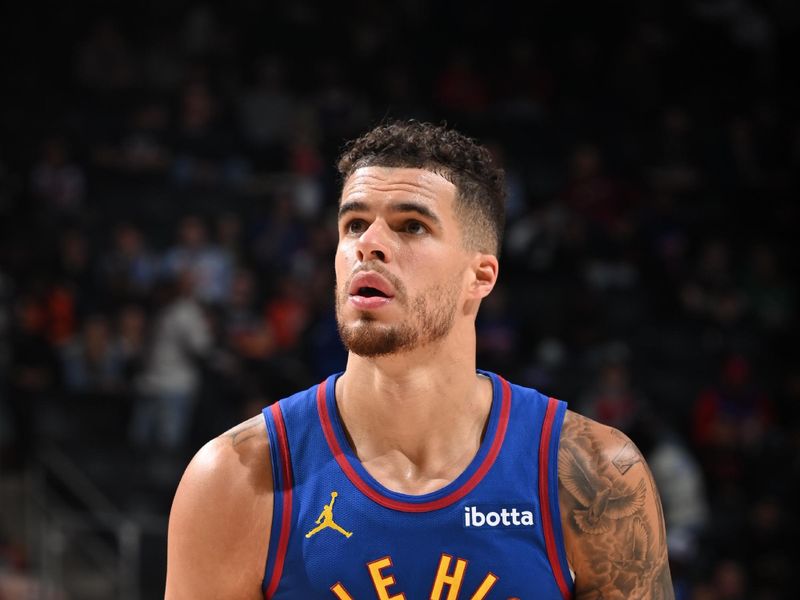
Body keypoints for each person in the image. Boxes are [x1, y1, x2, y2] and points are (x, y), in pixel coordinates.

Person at [165, 120, 673, 599]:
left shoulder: (594, 476)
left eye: (411, 226)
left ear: (481, 277)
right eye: (354, 224)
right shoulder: (235, 478)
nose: (370, 244)